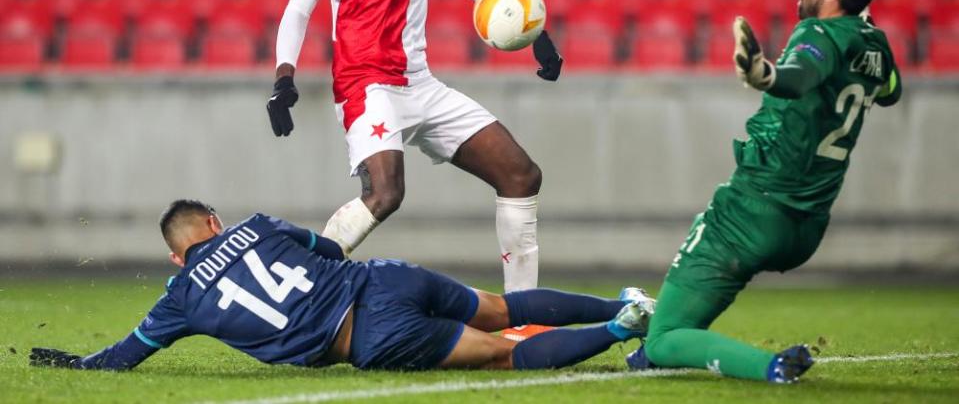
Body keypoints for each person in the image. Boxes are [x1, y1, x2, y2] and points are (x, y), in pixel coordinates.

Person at [265, 0, 562, 338]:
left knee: (521, 175)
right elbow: (299, 5)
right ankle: (305, 298)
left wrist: (532, 31)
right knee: (385, 193)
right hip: (366, 84)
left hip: (421, 84)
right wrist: (283, 78)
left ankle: (522, 321)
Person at [626, 0, 902, 383]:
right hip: (807, 227)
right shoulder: (875, 43)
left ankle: (767, 367)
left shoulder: (818, 32)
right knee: (666, 337)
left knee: (665, 337)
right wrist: (861, 35)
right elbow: (891, 92)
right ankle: (658, 352)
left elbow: (797, 77)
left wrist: (764, 73)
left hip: (752, 212)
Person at [30, 200, 654, 373]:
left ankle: (615, 331)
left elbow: (126, 354)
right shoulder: (258, 225)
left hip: (369, 335)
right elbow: (327, 248)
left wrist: (77, 363)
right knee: (502, 308)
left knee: (502, 352)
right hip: (385, 279)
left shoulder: (179, 299)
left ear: (175, 256)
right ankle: (624, 303)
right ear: (215, 222)